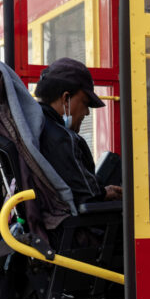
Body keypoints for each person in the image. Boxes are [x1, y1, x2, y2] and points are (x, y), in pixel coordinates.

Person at [34, 57, 122, 205]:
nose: (87, 112)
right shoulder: (62, 138)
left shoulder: (34, 127)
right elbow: (87, 194)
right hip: (73, 226)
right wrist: (106, 192)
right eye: (85, 103)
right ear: (66, 98)